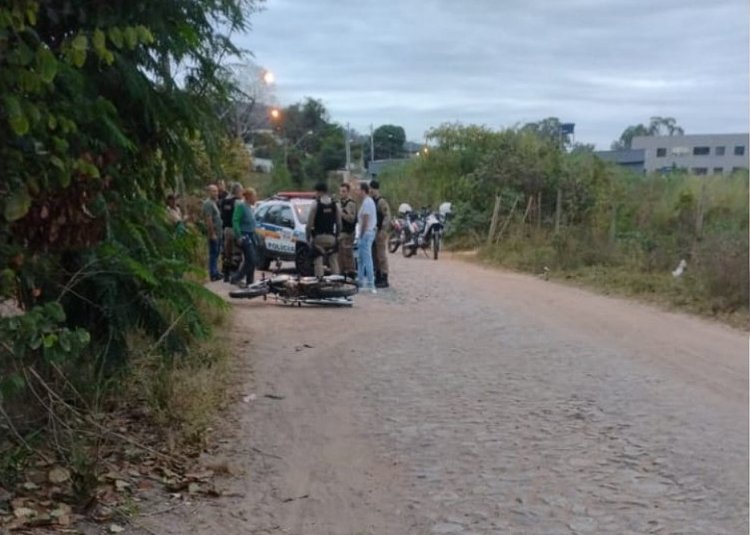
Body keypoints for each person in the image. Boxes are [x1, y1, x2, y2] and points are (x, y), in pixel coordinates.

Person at [306, 182, 342, 278]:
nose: (315, 194)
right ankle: (336, 281)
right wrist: (337, 237)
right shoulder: (335, 205)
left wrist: (308, 237)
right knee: (333, 259)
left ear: (320, 192)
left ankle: (319, 280)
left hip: (319, 238)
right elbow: (339, 223)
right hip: (331, 237)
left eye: (316, 192)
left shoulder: (316, 205)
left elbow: (309, 225)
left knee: (318, 258)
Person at [230, 188, 259, 287]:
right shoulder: (241, 206)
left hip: (252, 235)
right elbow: (235, 221)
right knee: (251, 259)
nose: (256, 198)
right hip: (244, 235)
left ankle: (250, 281)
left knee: (251, 260)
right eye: (254, 196)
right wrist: (239, 235)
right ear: (249, 197)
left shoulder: (250, 207)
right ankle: (236, 278)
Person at [369, 179, 392, 288]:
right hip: (373, 232)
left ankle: (384, 277)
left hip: (379, 231)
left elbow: (387, 216)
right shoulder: (371, 200)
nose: (370, 191)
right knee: (374, 255)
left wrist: (383, 229)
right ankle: (377, 275)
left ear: (375, 189)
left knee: (381, 255)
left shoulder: (381, 202)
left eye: (371, 189)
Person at [356, 181, 377, 293]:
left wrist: (361, 235)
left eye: (358, 190)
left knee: (367, 258)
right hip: (367, 233)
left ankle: (370, 282)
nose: (357, 192)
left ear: (363, 191)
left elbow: (365, 220)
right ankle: (360, 281)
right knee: (361, 259)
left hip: (366, 233)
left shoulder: (367, 202)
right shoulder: (366, 202)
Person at [220, 183, 242, 282]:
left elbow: (222, 215)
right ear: (237, 191)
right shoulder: (237, 202)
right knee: (236, 252)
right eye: (241, 191)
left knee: (226, 253)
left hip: (225, 229)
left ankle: (226, 274)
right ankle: (234, 275)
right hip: (234, 229)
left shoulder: (224, 201)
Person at [201, 184, 222, 281]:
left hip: (219, 232)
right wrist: (212, 233)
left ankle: (216, 271)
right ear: (209, 192)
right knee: (213, 253)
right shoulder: (208, 204)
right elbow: (208, 219)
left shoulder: (214, 202)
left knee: (217, 252)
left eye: (216, 191)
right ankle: (213, 273)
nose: (216, 193)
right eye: (213, 191)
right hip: (213, 233)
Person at [337, 182, 357, 279]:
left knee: (347, 252)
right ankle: (342, 272)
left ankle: (351, 271)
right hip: (341, 231)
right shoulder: (339, 203)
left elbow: (351, 219)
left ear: (348, 192)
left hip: (348, 232)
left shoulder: (350, 204)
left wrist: (342, 214)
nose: (342, 193)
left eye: (344, 191)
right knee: (340, 254)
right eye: (341, 191)